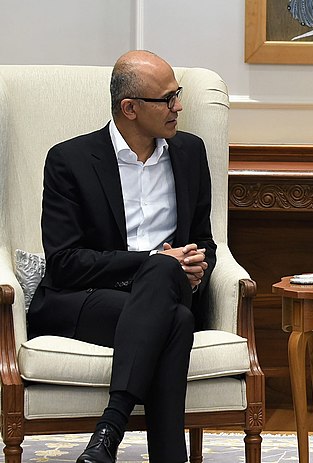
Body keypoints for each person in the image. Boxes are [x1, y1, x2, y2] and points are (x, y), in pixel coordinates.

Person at [27, 50, 216, 463]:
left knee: (167, 284)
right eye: (167, 99)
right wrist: (155, 260)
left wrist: (197, 266)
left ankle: (109, 430)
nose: (178, 106)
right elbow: (65, 262)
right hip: (87, 298)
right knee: (176, 320)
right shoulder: (69, 161)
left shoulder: (190, 154)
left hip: (168, 289)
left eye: (177, 94)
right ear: (129, 108)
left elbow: (204, 239)